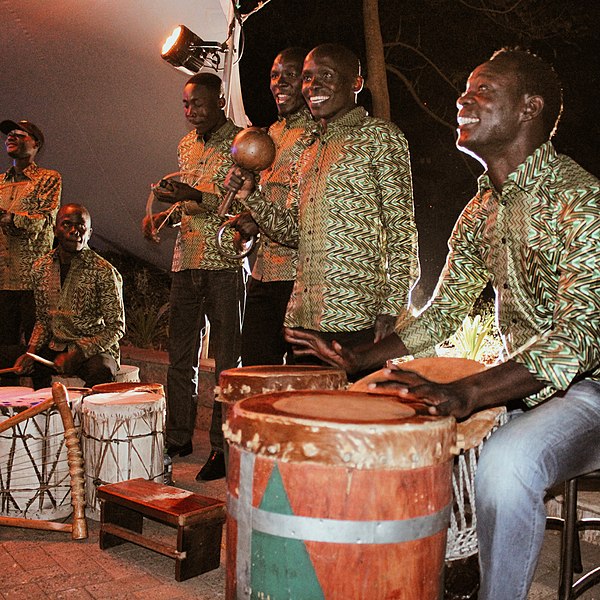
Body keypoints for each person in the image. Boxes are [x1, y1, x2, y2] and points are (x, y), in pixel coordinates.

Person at [286, 48, 600, 600]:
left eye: (483, 91)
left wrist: (471, 391)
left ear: (530, 108)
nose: (463, 99)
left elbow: (576, 340)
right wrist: (364, 357)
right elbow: (444, 314)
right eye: (465, 89)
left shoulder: (580, 201)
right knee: (394, 417)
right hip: (526, 387)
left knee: (506, 463)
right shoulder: (483, 208)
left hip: (589, 390)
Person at [227, 44, 418, 375]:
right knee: (304, 420)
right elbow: (292, 232)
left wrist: (393, 306)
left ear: (356, 84)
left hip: (356, 318)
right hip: (304, 320)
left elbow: (402, 232)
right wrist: (251, 195)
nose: (312, 86)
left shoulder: (380, 138)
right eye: (307, 77)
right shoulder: (308, 149)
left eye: (326, 76)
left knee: (349, 421)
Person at [142, 72, 244, 481]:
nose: (190, 112)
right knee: (179, 358)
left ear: (220, 101)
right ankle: (178, 436)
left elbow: (244, 201)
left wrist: (191, 196)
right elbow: (187, 205)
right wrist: (162, 216)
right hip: (186, 260)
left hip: (224, 261)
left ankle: (221, 447)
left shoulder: (244, 142)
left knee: (226, 361)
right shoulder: (186, 145)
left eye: (198, 103)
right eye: (185, 105)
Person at [231, 47, 312, 366]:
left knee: (298, 382)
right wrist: (248, 221)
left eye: (290, 75)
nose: (280, 82)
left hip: (299, 277)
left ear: (306, 82)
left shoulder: (316, 137)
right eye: (274, 75)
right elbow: (267, 202)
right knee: (254, 371)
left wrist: (255, 208)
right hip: (263, 273)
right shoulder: (269, 134)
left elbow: (300, 219)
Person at [13, 203, 125, 389]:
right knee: (17, 361)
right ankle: (43, 415)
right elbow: (42, 320)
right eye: (67, 224)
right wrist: (31, 353)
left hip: (92, 350)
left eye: (81, 226)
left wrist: (78, 353)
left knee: (101, 370)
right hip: (56, 345)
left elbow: (116, 327)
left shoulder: (104, 271)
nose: (75, 231)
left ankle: (88, 416)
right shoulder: (41, 268)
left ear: (89, 233)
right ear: (55, 230)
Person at [0, 119, 61, 376]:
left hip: (34, 279)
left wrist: (8, 217)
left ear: (36, 143)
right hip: (3, 280)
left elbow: (45, 219)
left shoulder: (48, 179)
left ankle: (43, 409)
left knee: (38, 354)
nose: (11, 137)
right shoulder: (0, 181)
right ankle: (7, 413)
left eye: (19, 134)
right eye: (8, 134)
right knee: (4, 352)